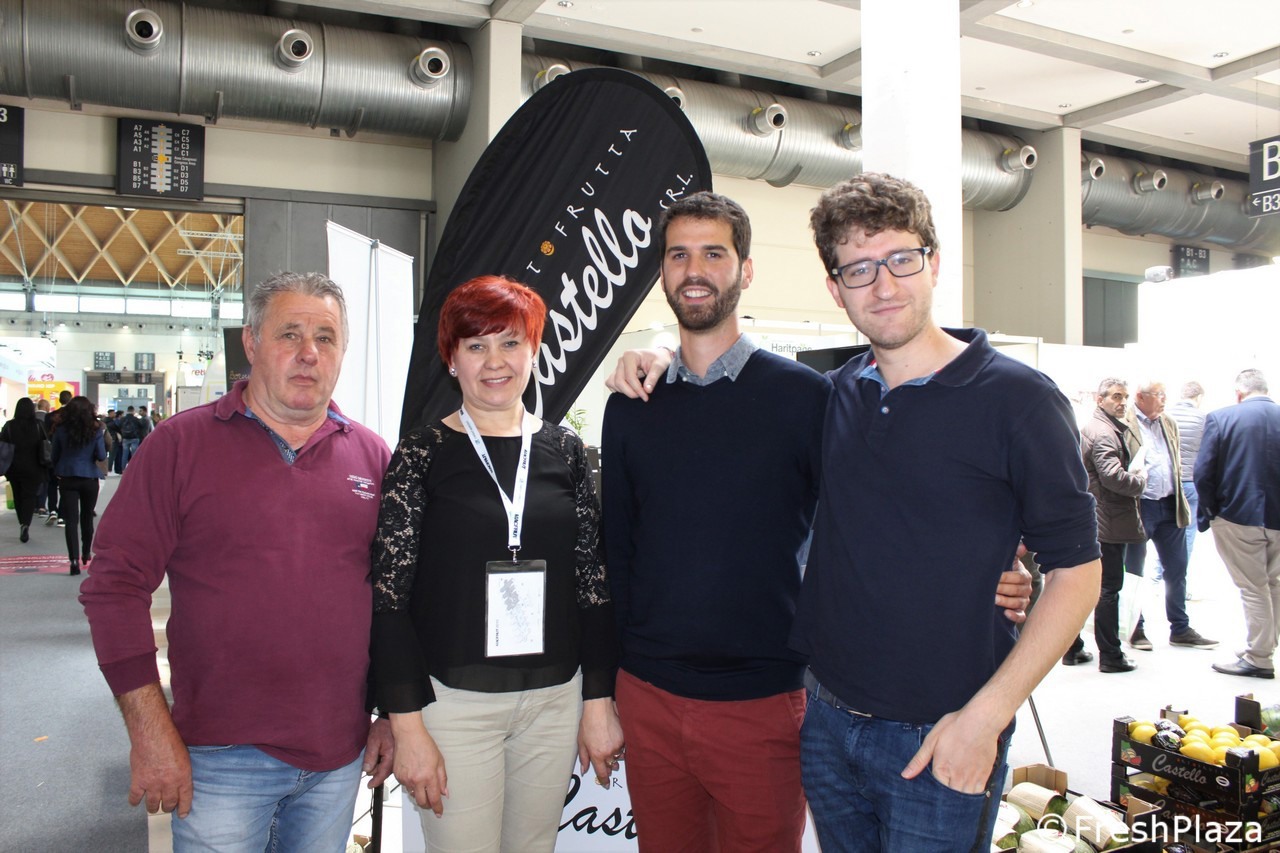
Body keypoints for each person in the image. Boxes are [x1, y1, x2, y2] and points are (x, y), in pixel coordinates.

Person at [603, 188, 1036, 852]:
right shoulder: (634, 400)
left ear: (746, 270)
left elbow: (880, 512)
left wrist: (996, 571)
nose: (695, 270)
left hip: (765, 696)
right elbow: (617, 548)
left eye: (714, 254)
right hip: (648, 693)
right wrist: (603, 690)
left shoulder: (809, 396)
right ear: (661, 271)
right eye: (678, 254)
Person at [792, 173, 1100, 851]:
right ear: (836, 288)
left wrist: (986, 718)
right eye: (859, 269)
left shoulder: (1020, 399)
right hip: (827, 723)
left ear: (934, 262)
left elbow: (1078, 572)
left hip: (945, 731)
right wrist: (659, 361)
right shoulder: (832, 396)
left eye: (901, 259)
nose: (883, 285)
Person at [80, 271, 395, 852]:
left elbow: (394, 600)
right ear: (251, 342)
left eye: (325, 338)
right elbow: (114, 588)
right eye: (289, 334)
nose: (308, 353)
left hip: (336, 758)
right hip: (220, 758)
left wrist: (393, 714)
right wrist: (149, 728)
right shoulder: (180, 446)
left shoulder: (372, 456)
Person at [370, 275, 622, 853]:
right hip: (454, 705)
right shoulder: (421, 454)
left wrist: (597, 700)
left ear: (534, 351)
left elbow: (592, 584)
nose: (494, 361)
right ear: (451, 358)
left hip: (555, 701)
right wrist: (406, 723)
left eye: (510, 342)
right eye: (476, 345)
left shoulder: (564, 450)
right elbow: (389, 599)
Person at [1196, 369, 1280, 679]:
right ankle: (1263, 646)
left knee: (1253, 587)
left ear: (1239, 393)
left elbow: (1204, 471)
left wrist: (1210, 511)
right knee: (1272, 583)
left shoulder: (1223, 418)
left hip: (1237, 515)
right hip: (1276, 517)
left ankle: (1259, 657)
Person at [1123, 380, 1217, 652]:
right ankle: (1135, 628)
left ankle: (1180, 628)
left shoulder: (1168, 422)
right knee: (1134, 571)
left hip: (1170, 504)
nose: (1164, 399)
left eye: (1165, 394)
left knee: (1177, 568)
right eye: (1158, 395)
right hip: (1140, 507)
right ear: (1140, 397)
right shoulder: (1126, 423)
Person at [1081, 379, 1149, 673]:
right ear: (1100, 399)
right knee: (1109, 588)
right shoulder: (1104, 432)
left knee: (1094, 587)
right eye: (1116, 397)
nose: (1122, 402)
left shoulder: (1103, 428)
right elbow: (1112, 477)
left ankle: (1073, 648)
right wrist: (1140, 482)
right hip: (1107, 519)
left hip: (1103, 517)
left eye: (1125, 397)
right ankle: (1111, 655)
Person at [51, 396, 107, 575]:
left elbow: (54, 455)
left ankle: (73, 559)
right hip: (89, 478)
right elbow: (101, 455)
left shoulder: (61, 429)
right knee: (87, 517)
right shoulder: (96, 430)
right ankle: (86, 552)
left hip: (67, 477)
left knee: (71, 520)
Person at [1, 397, 50, 544]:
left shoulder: (9, 426)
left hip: (14, 467)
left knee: (18, 496)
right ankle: (25, 524)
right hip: (34, 467)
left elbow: (3, 445)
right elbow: (46, 443)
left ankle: (21, 521)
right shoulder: (38, 425)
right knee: (29, 496)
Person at [1168, 381, 1207, 567]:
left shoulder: (1166, 415)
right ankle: (1180, 574)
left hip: (1169, 483)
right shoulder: (1202, 418)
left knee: (1167, 531)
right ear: (1198, 397)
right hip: (1190, 481)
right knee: (1188, 531)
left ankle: (1159, 575)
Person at [45, 389, 72, 526]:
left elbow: (46, 436)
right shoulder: (73, 416)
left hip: (52, 453)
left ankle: (52, 510)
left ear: (59, 400)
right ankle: (62, 515)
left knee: (52, 483)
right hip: (67, 455)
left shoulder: (50, 416)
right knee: (65, 486)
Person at [118, 405, 143, 470]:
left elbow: (119, 426)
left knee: (125, 454)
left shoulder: (122, 419)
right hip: (134, 437)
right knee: (134, 454)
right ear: (133, 411)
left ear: (127, 411)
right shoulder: (136, 419)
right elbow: (141, 426)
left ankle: (123, 469)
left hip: (125, 438)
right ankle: (134, 468)